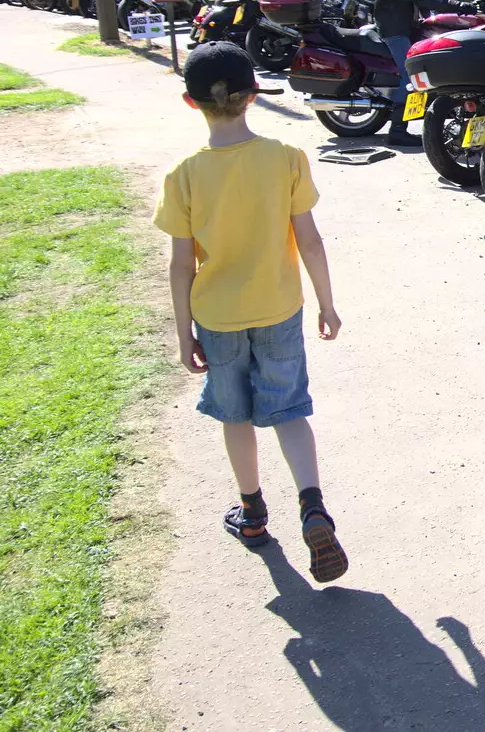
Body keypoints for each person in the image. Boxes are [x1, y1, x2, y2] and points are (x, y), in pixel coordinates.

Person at [153, 41, 349, 583]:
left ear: (191, 103)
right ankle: (312, 505)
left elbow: (179, 265)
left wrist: (182, 333)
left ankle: (254, 513)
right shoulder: (286, 158)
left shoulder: (185, 175)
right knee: (288, 409)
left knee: (235, 414)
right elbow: (309, 241)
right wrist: (327, 304)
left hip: (216, 317)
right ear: (254, 96)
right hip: (279, 307)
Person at [368, 0, 472, 147]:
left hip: (397, 26)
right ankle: (397, 129)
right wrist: (459, 5)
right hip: (394, 31)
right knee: (412, 76)